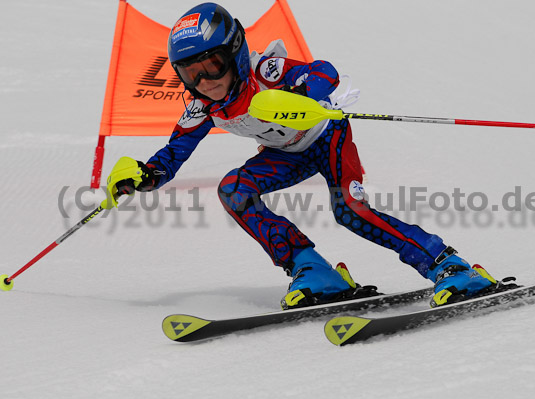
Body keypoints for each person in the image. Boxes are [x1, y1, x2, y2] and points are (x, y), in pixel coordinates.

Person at [105, 2, 499, 309]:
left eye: (212, 65)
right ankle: (312, 270)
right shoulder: (205, 107)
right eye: (191, 74)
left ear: (236, 52)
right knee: (234, 190)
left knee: (349, 211)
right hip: (285, 154)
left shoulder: (266, 72)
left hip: (327, 137)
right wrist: (142, 176)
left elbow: (325, 72)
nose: (205, 81)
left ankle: (451, 267)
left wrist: (302, 95)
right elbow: (175, 153)